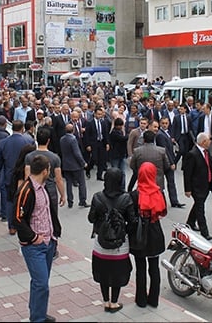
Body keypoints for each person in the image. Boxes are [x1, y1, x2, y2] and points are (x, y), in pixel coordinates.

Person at [12, 154, 61, 322]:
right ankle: (38, 318)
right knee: (41, 284)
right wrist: (33, 237)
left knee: (40, 282)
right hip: (34, 246)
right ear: (45, 171)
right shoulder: (26, 190)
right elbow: (17, 218)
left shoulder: (43, 187)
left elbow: (47, 213)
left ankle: (38, 313)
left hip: (48, 242)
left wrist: (54, 236)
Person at [87, 167, 135, 313]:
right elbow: (132, 220)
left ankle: (106, 301)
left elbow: (91, 218)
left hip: (101, 243)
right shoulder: (126, 198)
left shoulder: (97, 197)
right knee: (117, 272)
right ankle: (114, 302)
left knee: (103, 272)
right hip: (120, 244)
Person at [129, 162, 167, 308]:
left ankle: (141, 300)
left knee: (140, 268)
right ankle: (154, 299)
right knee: (154, 268)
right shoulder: (159, 192)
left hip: (139, 234)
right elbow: (163, 212)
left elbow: (130, 216)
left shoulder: (134, 195)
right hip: (155, 232)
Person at [183, 133, 212, 240]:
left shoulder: (206, 152)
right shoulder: (192, 154)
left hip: (206, 185)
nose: (210, 142)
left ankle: (190, 222)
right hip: (196, 187)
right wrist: (187, 189)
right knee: (200, 209)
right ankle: (204, 232)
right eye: (208, 140)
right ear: (203, 142)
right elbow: (187, 174)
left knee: (198, 205)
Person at [0, 120, 33, 235]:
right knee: (26, 200)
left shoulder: (3, 142)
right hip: (25, 175)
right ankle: (25, 224)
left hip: (10, 175)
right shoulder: (28, 140)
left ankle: (12, 226)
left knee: (10, 200)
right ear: (22, 128)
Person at [60, 124, 88, 208]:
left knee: (69, 183)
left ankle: (70, 201)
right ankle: (82, 200)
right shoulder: (73, 139)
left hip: (66, 164)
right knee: (81, 183)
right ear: (73, 130)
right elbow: (77, 153)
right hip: (76, 165)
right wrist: (83, 163)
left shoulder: (62, 139)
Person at [84, 107, 110, 181]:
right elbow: (87, 135)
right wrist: (88, 145)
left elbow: (105, 134)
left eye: (101, 114)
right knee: (94, 158)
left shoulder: (103, 122)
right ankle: (88, 168)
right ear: (95, 114)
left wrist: (107, 143)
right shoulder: (89, 123)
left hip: (101, 142)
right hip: (93, 143)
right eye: (98, 114)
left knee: (102, 159)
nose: (99, 116)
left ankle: (99, 175)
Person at [108, 117, 128, 189]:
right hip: (115, 155)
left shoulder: (120, 132)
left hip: (121, 154)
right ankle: (115, 188)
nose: (120, 127)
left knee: (122, 172)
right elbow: (122, 139)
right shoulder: (114, 133)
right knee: (115, 173)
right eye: (119, 125)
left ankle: (122, 188)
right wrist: (129, 135)